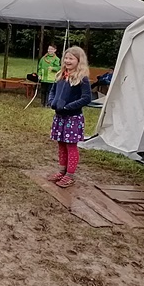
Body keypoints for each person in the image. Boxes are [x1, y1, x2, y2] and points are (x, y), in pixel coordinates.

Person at [46, 45, 93, 188]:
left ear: (79, 61)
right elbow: (52, 91)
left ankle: (70, 175)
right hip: (59, 117)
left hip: (73, 118)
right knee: (61, 144)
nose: (67, 61)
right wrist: (51, 102)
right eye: (66, 58)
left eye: (71, 58)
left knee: (71, 146)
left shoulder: (82, 79)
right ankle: (62, 171)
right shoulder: (60, 75)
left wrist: (68, 107)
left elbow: (86, 98)